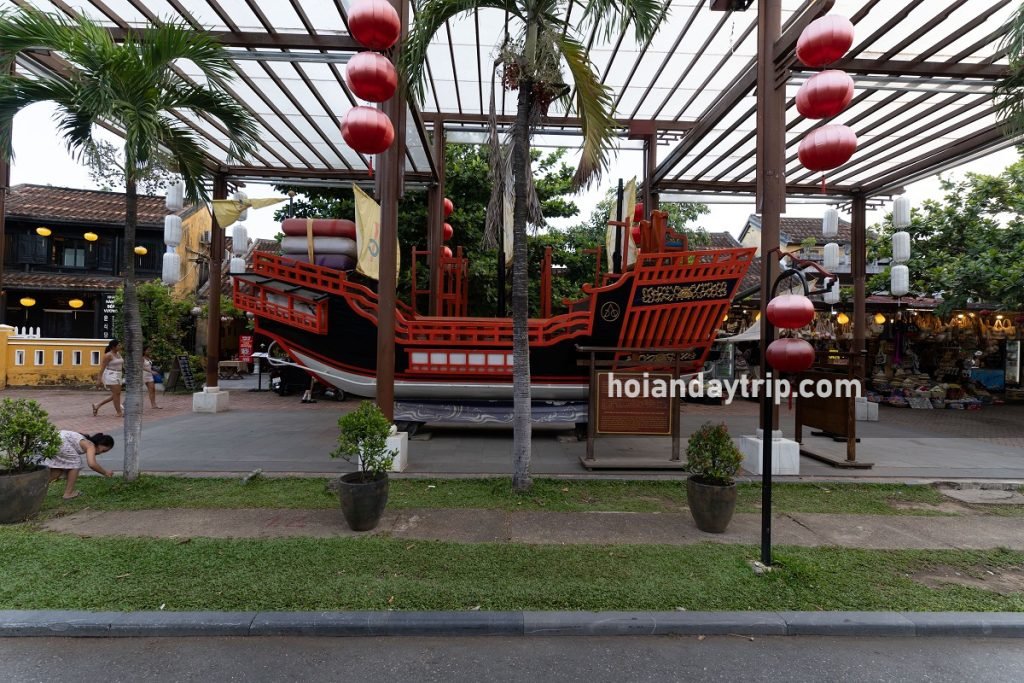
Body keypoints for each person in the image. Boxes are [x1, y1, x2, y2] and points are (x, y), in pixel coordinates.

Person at [46, 431, 114, 500]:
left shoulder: (84, 440)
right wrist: (105, 473)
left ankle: (39, 485)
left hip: (51, 439)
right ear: (100, 443)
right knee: (76, 463)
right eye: (103, 450)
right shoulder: (90, 445)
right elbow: (92, 464)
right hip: (61, 442)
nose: (100, 453)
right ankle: (68, 493)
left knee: (57, 470)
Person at [93, 339, 123, 417]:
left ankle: (97, 405)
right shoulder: (108, 355)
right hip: (111, 375)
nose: (120, 346)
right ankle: (119, 412)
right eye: (118, 345)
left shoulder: (118, 354)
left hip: (119, 374)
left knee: (117, 394)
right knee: (116, 394)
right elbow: (102, 368)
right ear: (113, 347)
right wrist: (99, 379)